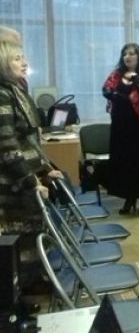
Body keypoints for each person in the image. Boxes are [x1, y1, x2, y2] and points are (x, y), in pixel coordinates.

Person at [0, 40, 61, 291]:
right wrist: (31, 180)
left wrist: (45, 169)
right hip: (13, 184)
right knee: (21, 240)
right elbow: (7, 146)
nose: (24, 63)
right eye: (17, 58)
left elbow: (29, 140)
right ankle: (25, 294)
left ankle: (35, 282)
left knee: (34, 234)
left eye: (23, 57)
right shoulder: (2, 94)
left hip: (27, 178)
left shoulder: (15, 90)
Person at [102, 43, 139, 216]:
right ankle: (129, 197)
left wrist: (135, 78)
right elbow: (106, 90)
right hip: (122, 126)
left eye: (131, 54)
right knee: (125, 162)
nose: (127, 57)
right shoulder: (116, 74)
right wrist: (114, 94)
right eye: (125, 54)